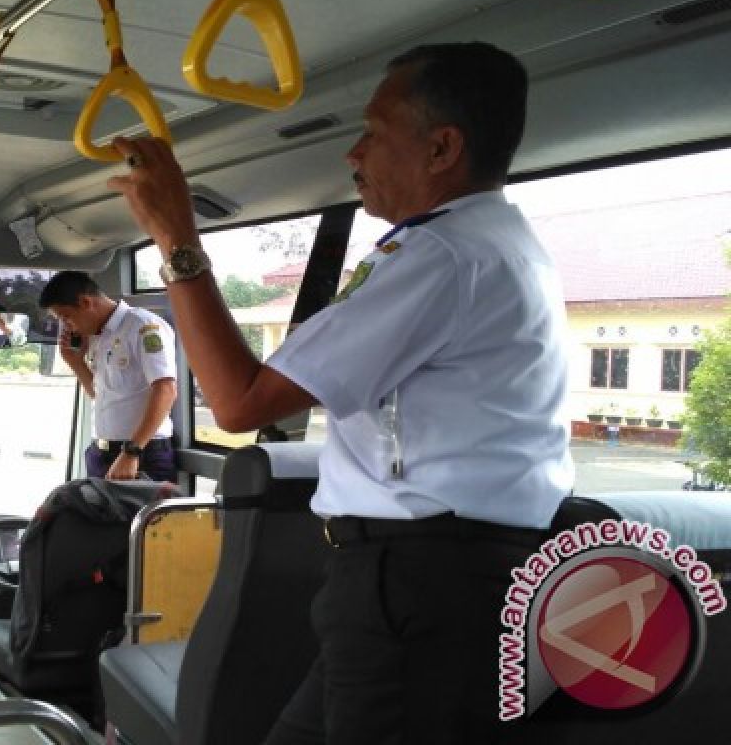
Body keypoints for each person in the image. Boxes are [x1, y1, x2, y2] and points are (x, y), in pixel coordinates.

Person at [107, 42, 573, 743]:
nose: (353, 153)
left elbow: (237, 403)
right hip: (426, 578)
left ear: (443, 148)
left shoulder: (440, 256)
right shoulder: (496, 244)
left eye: (375, 132)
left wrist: (175, 232)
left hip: (418, 582)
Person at [38, 271, 179, 482]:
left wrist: (132, 452)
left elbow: (166, 389)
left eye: (66, 316)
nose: (67, 325)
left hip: (142, 454)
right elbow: (100, 395)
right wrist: (76, 363)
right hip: (102, 453)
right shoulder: (98, 337)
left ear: (86, 302)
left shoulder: (142, 326)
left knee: (139, 516)